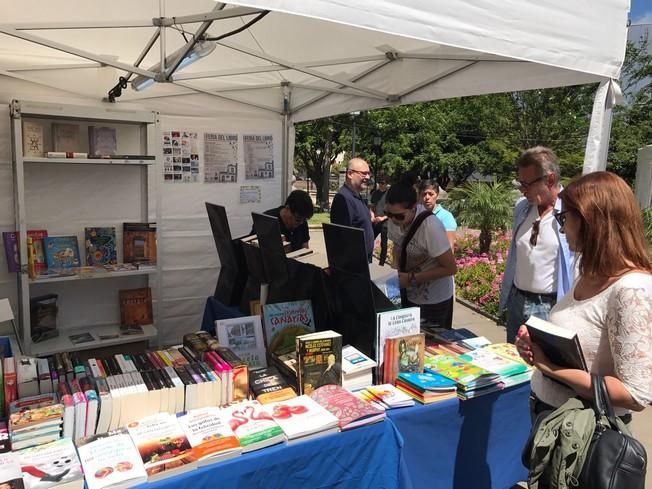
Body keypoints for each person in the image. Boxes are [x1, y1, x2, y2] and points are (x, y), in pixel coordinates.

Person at [515, 171, 651, 424]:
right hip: (551, 414)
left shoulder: (631, 289)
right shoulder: (588, 272)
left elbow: (635, 394)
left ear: (591, 220)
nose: (562, 228)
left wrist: (549, 367)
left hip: (586, 431)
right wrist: (537, 344)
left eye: (563, 217)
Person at [499, 146, 575, 343]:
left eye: (527, 184)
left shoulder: (571, 210)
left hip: (548, 306)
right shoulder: (522, 208)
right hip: (517, 301)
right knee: (513, 363)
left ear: (549, 180)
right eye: (520, 184)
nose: (523, 191)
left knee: (543, 369)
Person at [385, 181, 457, 328]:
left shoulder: (430, 226)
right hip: (409, 294)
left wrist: (411, 278)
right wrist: (396, 273)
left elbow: (450, 268)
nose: (393, 220)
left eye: (399, 216)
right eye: (388, 214)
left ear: (413, 208)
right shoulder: (395, 219)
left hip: (434, 301)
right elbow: (398, 248)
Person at [330, 158, 380, 261]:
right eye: (364, 173)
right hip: (353, 264)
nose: (368, 177)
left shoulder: (357, 197)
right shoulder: (343, 199)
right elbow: (343, 237)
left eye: (368, 174)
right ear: (350, 174)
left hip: (363, 261)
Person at [418, 179, 457, 251]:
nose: (427, 197)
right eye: (424, 194)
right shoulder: (415, 215)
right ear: (419, 196)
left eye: (431, 194)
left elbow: (449, 248)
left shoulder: (446, 217)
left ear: (437, 195)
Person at [369, 177, 390, 265]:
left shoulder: (389, 195)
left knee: (384, 243)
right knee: (370, 239)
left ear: (386, 184)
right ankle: (369, 259)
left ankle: (382, 262)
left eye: (383, 183)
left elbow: (392, 210)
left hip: (385, 222)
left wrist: (383, 218)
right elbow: (371, 206)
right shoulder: (375, 193)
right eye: (380, 183)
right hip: (376, 221)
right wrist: (372, 216)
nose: (381, 185)